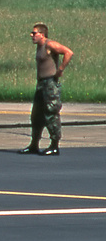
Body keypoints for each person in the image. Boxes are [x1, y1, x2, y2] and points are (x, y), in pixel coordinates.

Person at [22, 23, 73, 156]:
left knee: (51, 113)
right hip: (41, 84)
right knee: (36, 115)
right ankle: (34, 144)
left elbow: (68, 52)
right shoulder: (39, 47)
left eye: (34, 33)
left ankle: (54, 145)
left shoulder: (49, 45)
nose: (31, 35)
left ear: (42, 34)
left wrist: (60, 69)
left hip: (50, 83)